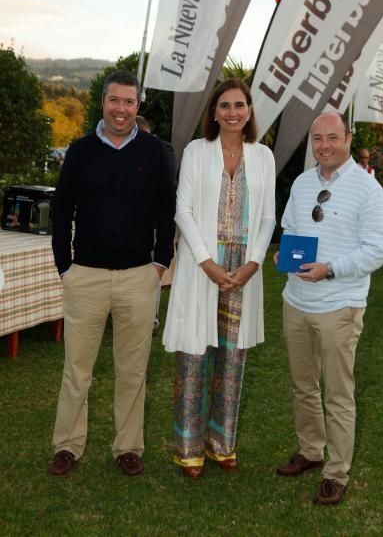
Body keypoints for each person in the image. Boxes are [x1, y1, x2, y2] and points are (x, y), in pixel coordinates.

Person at [48, 71, 176, 478]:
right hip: (84, 275)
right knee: (76, 369)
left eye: (129, 102)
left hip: (138, 277)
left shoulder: (156, 152)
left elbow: (165, 212)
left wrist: (159, 263)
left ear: (138, 107)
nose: (121, 109)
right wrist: (64, 266)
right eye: (114, 101)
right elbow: (61, 209)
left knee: (133, 370)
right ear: (103, 102)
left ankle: (128, 447)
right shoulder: (81, 150)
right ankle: (67, 445)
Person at [162, 79, 276, 479]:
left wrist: (253, 264)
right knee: (194, 356)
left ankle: (221, 443)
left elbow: (267, 218)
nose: (232, 112)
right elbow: (183, 211)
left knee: (232, 357)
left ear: (249, 111)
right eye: (224, 105)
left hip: (244, 269)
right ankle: (188, 447)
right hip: (202, 265)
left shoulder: (263, 156)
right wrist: (207, 263)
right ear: (214, 112)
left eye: (239, 105)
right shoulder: (197, 151)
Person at [275, 111, 383, 506]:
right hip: (296, 301)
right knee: (302, 385)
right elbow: (290, 228)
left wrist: (330, 270)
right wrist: (285, 257)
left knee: (338, 395)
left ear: (348, 138)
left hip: (339, 304)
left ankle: (336, 472)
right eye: (317, 138)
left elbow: (378, 250)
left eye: (332, 138)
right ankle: (310, 450)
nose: (324, 145)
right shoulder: (303, 183)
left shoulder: (367, 189)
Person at [135, 114, 176, 332]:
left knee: (152, 271)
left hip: (153, 222)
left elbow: (164, 184)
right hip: (128, 224)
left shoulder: (164, 150)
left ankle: (151, 318)